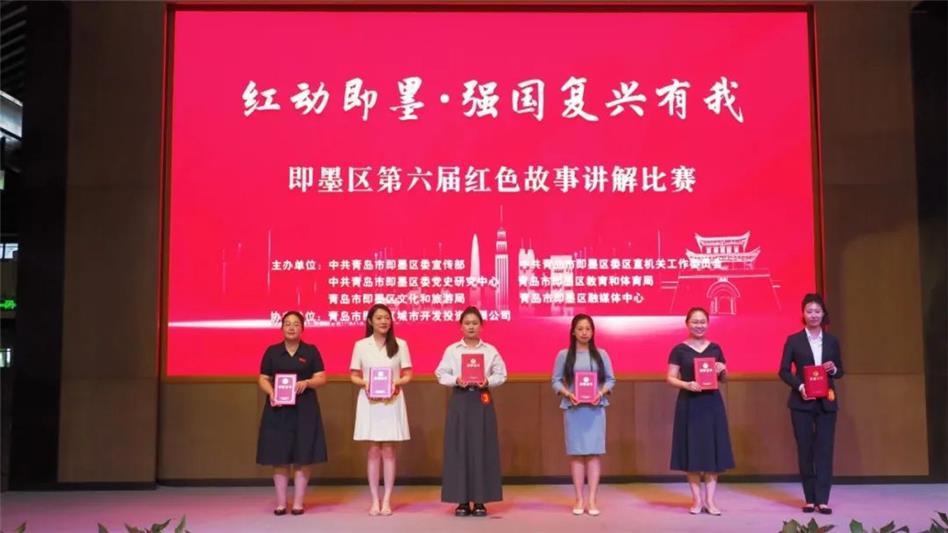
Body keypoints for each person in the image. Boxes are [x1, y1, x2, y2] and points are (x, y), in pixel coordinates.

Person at [435, 306, 507, 517]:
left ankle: (481, 500)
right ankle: (462, 500)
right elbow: (440, 373)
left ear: (481, 326)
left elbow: (502, 374)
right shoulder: (452, 350)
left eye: (475, 323)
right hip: (460, 400)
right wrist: (456, 380)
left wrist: (488, 381)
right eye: (467, 323)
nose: (471, 327)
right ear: (461, 326)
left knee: (482, 447)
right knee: (460, 448)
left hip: (482, 399)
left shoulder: (490, 350)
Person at [256, 311, 328, 516]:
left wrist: (307, 382)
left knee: (303, 455)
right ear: (281, 327)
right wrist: (272, 392)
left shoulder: (311, 351)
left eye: (296, 324)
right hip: (278, 409)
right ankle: (281, 503)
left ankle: (298, 503)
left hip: (305, 409)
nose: (291, 327)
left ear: (302, 328)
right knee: (279, 456)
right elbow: (263, 378)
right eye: (287, 323)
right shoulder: (272, 351)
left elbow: (322, 378)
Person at [778, 293, 845, 515]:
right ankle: (809, 499)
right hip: (802, 403)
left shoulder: (832, 341)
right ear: (803, 314)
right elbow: (784, 371)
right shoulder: (793, 340)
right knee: (805, 450)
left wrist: (833, 369)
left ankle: (823, 500)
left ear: (823, 314)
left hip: (826, 403)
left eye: (817, 311)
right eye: (809, 311)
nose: (814, 315)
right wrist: (800, 387)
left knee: (825, 450)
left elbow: (840, 371)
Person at [666, 307, 735, 516]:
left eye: (702, 321)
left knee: (712, 452)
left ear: (708, 323)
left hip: (712, 404)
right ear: (687, 324)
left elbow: (724, 378)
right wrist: (687, 384)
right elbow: (670, 377)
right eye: (695, 322)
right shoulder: (679, 349)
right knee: (692, 451)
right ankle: (696, 500)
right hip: (689, 403)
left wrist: (723, 370)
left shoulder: (715, 348)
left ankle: (710, 501)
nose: (699, 325)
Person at [349, 304, 413, 516]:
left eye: (387, 317)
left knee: (389, 450)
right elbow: (354, 375)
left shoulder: (400, 344)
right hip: (370, 401)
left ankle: (387, 500)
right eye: (379, 318)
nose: (384, 321)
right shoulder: (361, 345)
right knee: (373, 450)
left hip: (391, 400)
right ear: (370, 321)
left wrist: (395, 382)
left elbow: (408, 374)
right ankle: (374, 500)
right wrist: (365, 382)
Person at [551, 314, 616, 516]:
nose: (584, 332)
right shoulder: (564, 355)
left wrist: (600, 393)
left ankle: (592, 499)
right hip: (574, 409)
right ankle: (579, 498)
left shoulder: (601, 354)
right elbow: (555, 381)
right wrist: (568, 393)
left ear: (593, 331)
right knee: (577, 453)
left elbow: (611, 380)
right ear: (573, 332)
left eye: (588, 328)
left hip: (595, 410)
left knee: (594, 454)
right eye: (580, 329)